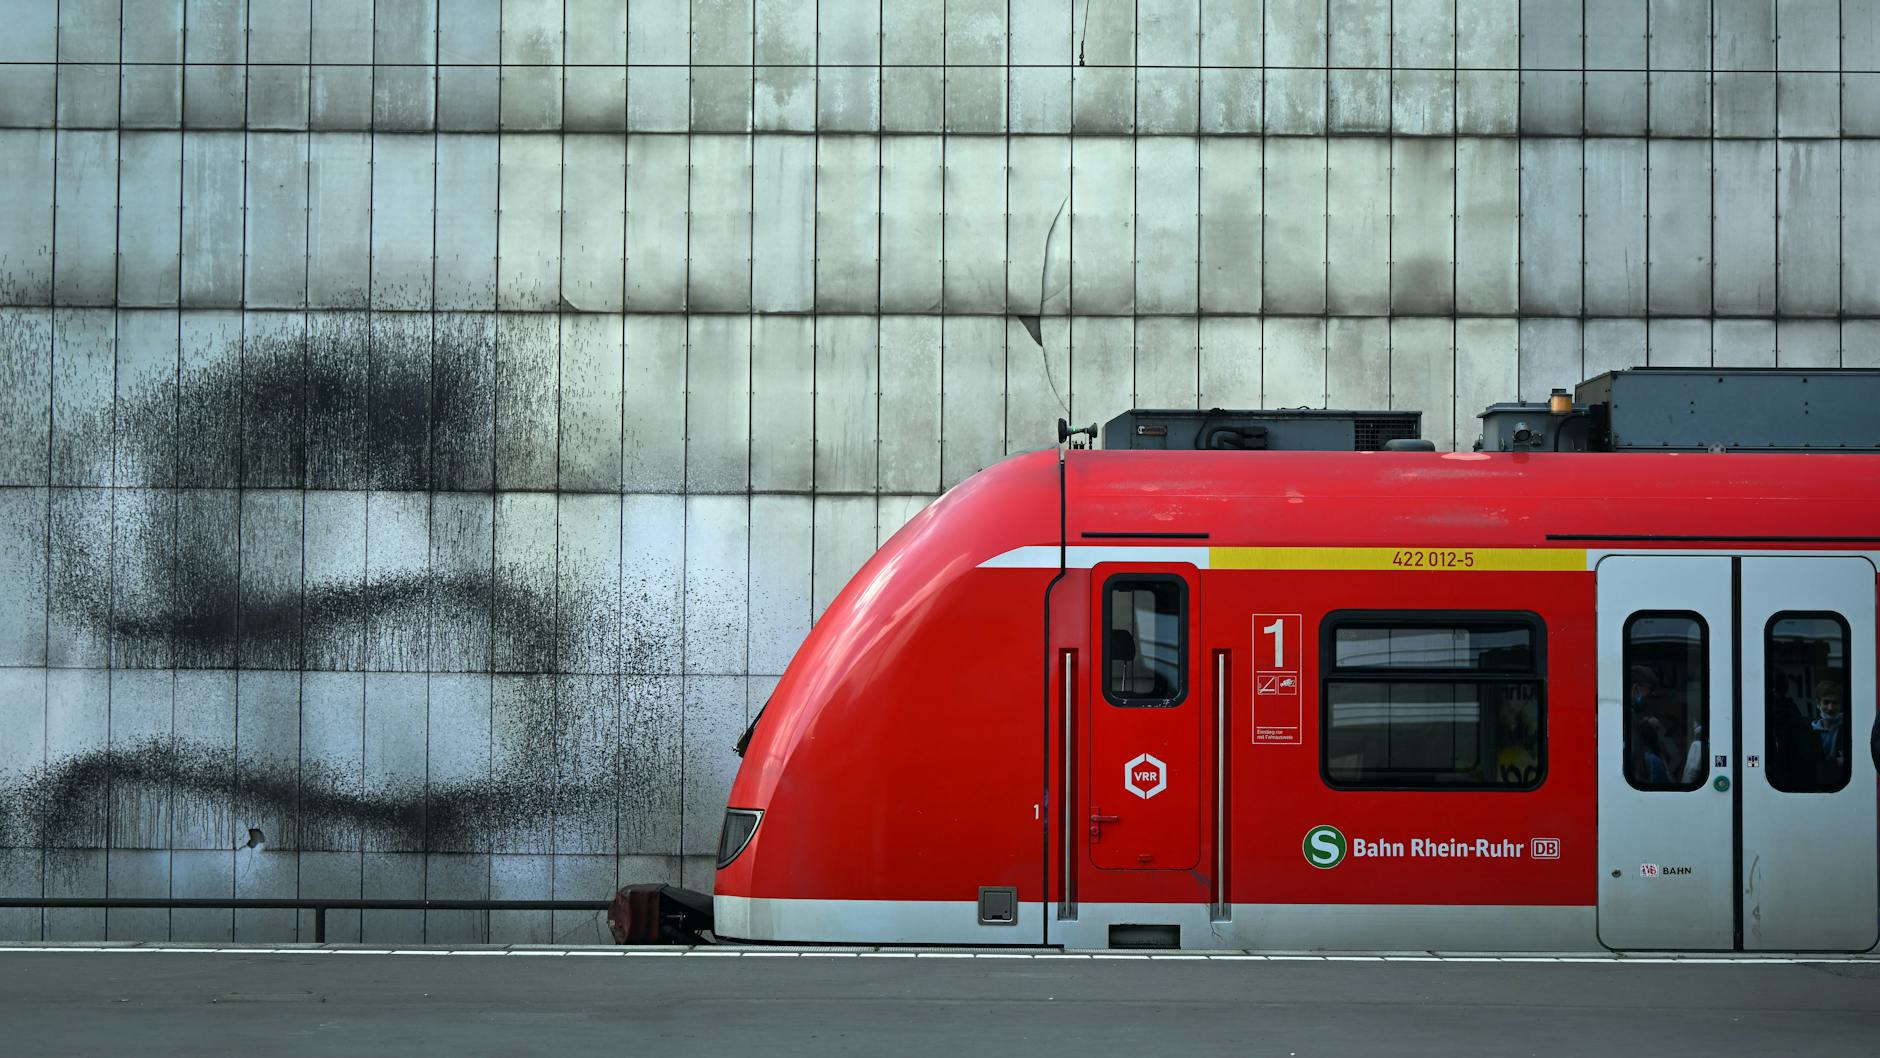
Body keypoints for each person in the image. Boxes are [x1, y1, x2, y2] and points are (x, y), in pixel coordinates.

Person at [1812, 680, 1849, 783]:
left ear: (1840, 705)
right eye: (1826, 702)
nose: (1830, 707)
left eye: (1835, 703)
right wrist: (1836, 762)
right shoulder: (1809, 731)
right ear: (1818, 704)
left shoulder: (1848, 729)